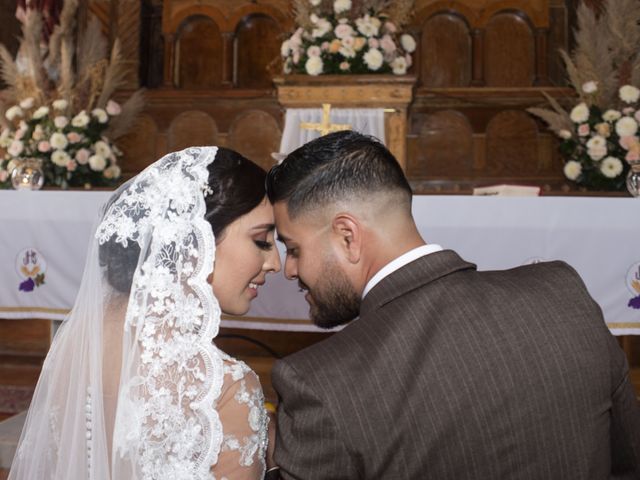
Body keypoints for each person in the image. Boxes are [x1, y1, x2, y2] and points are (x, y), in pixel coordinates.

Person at [265, 131, 640, 479]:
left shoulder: (319, 383)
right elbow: (628, 461)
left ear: (348, 236)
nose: (289, 269)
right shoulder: (562, 293)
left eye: (293, 248)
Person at [9, 146, 281, 479]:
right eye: (262, 240)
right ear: (195, 242)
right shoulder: (226, 387)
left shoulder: (72, 346)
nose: (275, 263)